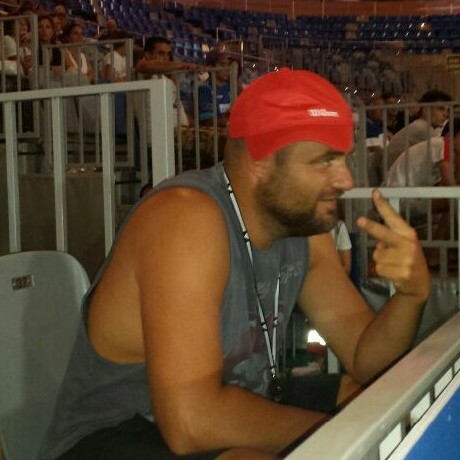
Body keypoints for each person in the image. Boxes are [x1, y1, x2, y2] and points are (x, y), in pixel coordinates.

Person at [39, 69, 430, 460]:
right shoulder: (184, 219)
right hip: (113, 435)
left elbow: (363, 357)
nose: (345, 180)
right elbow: (193, 422)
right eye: (324, 162)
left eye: (343, 158)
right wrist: (342, 436)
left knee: (362, 399)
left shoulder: (303, 230)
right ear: (261, 161)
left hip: (226, 403)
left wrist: (410, 295)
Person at [384, 89, 452, 169]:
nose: (446, 114)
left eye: (447, 110)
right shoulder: (422, 128)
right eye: (441, 109)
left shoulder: (421, 126)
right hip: (397, 174)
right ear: (425, 110)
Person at [198, 47, 238, 127]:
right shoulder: (204, 89)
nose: (227, 69)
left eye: (229, 65)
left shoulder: (232, 87)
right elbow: (207, 121)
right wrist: (231, 123)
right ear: (210, 67)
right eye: (223, 64)